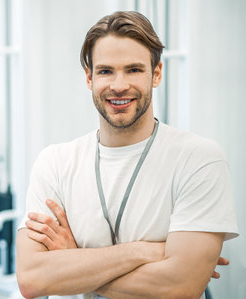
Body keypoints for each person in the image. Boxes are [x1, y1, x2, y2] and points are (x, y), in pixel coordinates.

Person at [16, 11, 239, 299]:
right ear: (89, 77)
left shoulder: (198, 159)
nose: (119, 85)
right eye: (106, 71)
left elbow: (181, 286)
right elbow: (32, 279)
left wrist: (73, 262)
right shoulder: (55, 163)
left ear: (156, 74)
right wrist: (145, 252)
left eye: (133, 70)